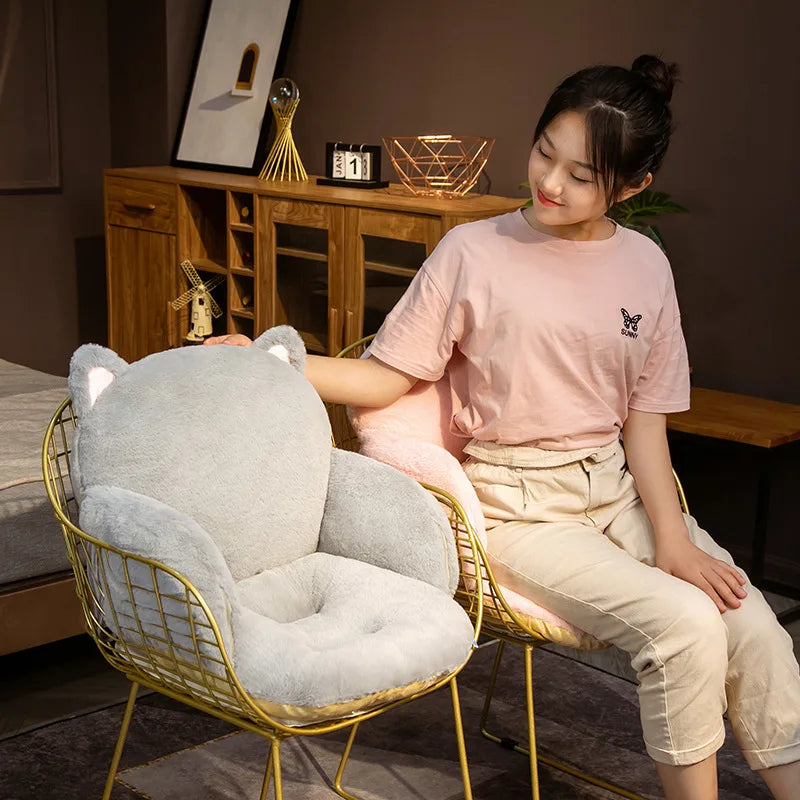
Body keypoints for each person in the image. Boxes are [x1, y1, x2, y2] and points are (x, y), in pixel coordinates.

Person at [206, 55, 800, 800]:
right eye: (544, 152)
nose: (550, 183)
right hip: (519, 508)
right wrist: (275, 356)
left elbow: (645, 425)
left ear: (633, 186)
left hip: (615, 491)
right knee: (685, 626)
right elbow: (388, 377)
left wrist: (672, 537)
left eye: (582, 175)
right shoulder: (473, 253)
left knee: (752, 625)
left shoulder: (647, 265)